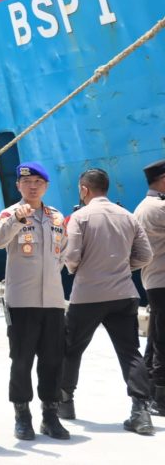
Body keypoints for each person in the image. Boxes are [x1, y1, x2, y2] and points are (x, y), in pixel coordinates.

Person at [59, 168, 154, 435]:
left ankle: (65, 401)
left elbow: (72, 255)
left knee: (71, 346)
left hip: (88, 294)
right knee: (130, 352)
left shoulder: (79, 217)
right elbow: (146, 255)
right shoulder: (128, 216)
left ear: (84, 189)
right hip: (124, 293)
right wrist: (123, 268)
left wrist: (79, 269)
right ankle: (141, 412)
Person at [0, 162, 70, 441]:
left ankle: (50, 415)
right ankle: (22, 416)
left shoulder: (57, 217)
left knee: (52, 360)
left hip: (53, 302)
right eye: (27, 182)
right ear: (18, 186)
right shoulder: (10, 213)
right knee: (21, 360)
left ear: (46, 186)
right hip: (22, 301)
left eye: (38, 181)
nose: (33, 186)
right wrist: (17, 221)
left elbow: (63, 254)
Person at [133, 159, 165, 416]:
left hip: (156, 280)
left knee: (156, 339)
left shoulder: (148, 206)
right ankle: (160, 398)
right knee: (162, 342)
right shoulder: (156, 208)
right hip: (162, 281)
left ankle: (147, 393)